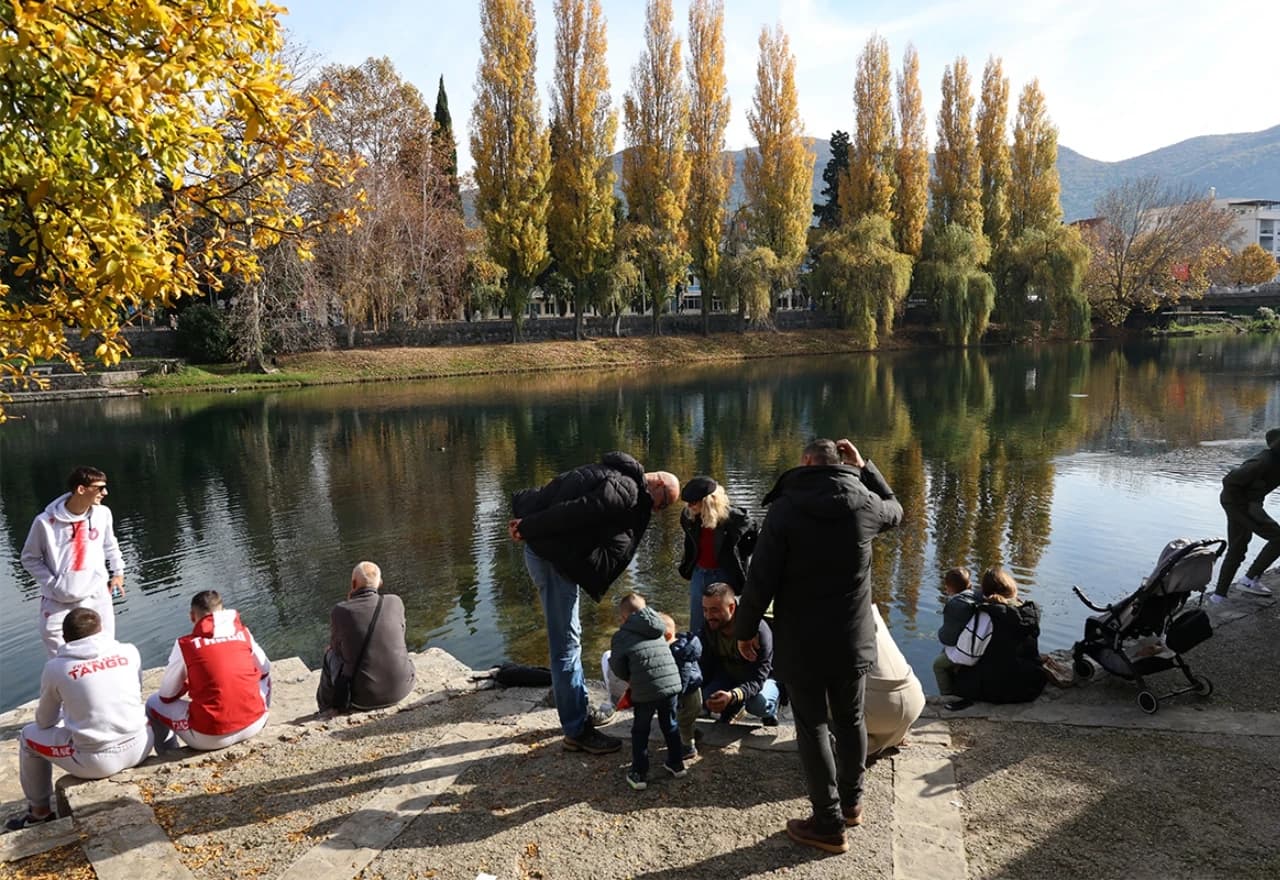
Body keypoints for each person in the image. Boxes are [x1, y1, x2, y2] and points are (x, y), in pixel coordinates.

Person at [736, 437, 902, 855]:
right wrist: (867, 469)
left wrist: (744, 629)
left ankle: (827, 823)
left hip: (804, 643)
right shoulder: (864, 503)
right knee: (851, 720)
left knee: (813, 727)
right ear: (840, 462)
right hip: (851, 639)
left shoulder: (786, 509)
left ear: (806, 463)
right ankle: (851, 804)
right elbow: (897, 510)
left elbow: (761, 579)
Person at [510, 452, 678, 756]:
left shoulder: (613, 473)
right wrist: (529, 527)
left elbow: (561, 493)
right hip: (554, 561)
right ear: (658, 485)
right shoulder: (627, 489)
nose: (658, 510)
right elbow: (575, 511)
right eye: (663, 504)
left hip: (551, 554)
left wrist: (530, 525)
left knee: (569, 640)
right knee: (566, 647)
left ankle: (578, 710)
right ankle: (577, 731)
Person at [5, 609, 152, 831]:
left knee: (28, 737)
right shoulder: (129, 651)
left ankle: (39, 812)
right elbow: (135, 690)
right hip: (142, 745)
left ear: (65, 639)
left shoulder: (56, 668)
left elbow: (44, 722)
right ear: (100, 629)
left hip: (98, 762)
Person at [21, 466, 126, 658]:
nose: (105, 492)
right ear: (81, 489)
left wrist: (118, 572)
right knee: (60, 654)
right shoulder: (44, 522)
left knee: (104, 647)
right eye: (100, 488)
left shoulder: (103, 514)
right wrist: (54, 584)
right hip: (58, 600)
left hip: (96, 593)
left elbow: (110, 544)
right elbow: (29, 558)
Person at [146, 591, 272, 751]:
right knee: (265, 678)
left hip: (209, 737)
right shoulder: (243, 632)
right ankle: (260, 716)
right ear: (222, 610)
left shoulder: (185, 644)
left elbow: (166, 696)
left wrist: (187, 683)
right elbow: (265, 669)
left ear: (192, 616)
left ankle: (168, 753)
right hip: (255, 724)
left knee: (152, 703)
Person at [608, 593, 686, 790]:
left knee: (641, 730)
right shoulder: (657, 627)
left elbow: (617, 666)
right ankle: (676, 764)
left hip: (646, 690)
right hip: (672, 684)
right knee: (670, 724)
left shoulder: (621, 636)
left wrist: (629, 677)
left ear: (623, 618)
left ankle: (639, 772)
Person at [317, 562, 416, 712]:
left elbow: (337, 649)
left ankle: (326, 708)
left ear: (353, 583)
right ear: (380, 583)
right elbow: (400, 634)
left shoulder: (340, 610)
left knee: (329, 654)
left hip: (363, 699)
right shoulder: (395, 602)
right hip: (403, 688)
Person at [951, 567, 1048, 706]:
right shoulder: (1029, 612)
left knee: (952, 666)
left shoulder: (987, 615)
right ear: (1013, 588)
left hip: (996, 689)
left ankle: (948, 699)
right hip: (1030, 687)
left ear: (985, 592)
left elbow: (965, 657)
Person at [677, 476, 757, 633]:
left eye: (694, 502)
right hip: (699, 572)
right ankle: (699, 652)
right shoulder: (689, 517)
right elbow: (690, 544)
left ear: (708, 501)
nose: (689, 506)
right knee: (698, 622)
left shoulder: (736, 518)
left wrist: (742, 556)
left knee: (727, 620)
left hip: (725, 573)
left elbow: (754, 537)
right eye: (688, 502)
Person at [1209, 428, 1280, 602]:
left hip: (1242, 504)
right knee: (1278, 538)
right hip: (1238, 504)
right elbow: (1230, 481)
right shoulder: (1263, 461)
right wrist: (1248, 506)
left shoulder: (1277, 460)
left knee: (1238, 547)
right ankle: (1249, 580)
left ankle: (1218, 596)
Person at [698, 582, 780, 725]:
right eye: (705, 610)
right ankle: (731, 709)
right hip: (730, 676)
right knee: (706, 696)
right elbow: (705, 666)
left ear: (731, 608)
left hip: (762, 678)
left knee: (757, 704)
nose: (708, 616)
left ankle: (771, 709)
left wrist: (733, 695)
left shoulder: (758, 631)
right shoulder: (709, 627)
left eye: (714, 610)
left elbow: (758, 678)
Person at [865, 605, 925, 756]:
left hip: (880, 711)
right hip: (914, 703)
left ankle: (845, 749)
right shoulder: (870, 610)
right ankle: (891, 738)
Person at [933, 567, 985, 697]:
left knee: (938, 665)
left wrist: (940, 633)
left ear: (949, 588)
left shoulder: (956, 604)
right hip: (981, 642)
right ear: (969, 584)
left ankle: (946, 696)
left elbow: (949, 638)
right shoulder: (978, 596)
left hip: (969, 648)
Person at [658, 611, 703, 761]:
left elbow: (682, 677)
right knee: (688, 718)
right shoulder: (686, 646)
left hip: (687, 694)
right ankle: (693, 733)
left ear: (668, 636)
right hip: (696, 691)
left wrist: (677, 695)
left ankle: (688, 747)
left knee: (683, 721)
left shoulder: (677, 654)